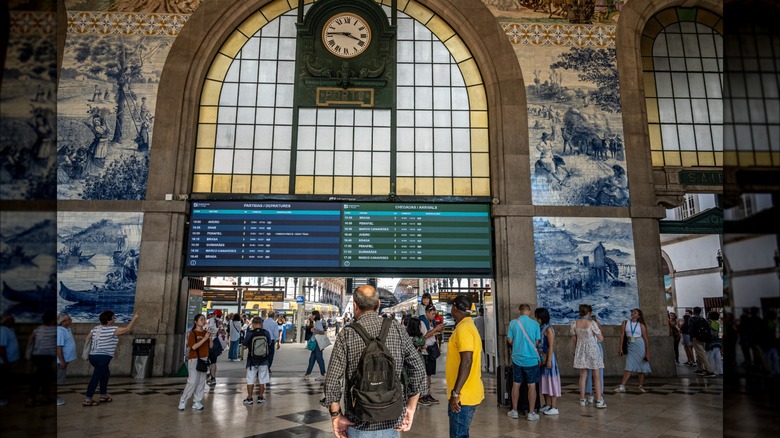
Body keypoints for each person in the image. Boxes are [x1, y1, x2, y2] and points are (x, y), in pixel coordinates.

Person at [324, 285, 426, 437]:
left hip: (359, 421)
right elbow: (418, 369)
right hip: (393, 420)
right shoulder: (397, 329)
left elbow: (332, 379)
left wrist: (336, 415)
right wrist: (410, 408)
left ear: (355, 306)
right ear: (378, 304)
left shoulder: (347, 334)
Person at [83, 311, 139, 406]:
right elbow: (127, 329)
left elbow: (87, 338)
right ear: (108, 320)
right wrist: (134, 318)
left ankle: (103, 396)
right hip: (103, 358)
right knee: (95, 378)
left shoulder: (95, 328)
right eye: (113, 318)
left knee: (105, 374)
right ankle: (88, 399)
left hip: (93, 356)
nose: (114, 319)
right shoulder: (112, 329)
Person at [446, 295, 484, 437]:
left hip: (463, 395)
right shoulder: (468, 325)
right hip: (465, 392)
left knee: (458, 435)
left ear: (455, 309)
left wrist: (456, 393)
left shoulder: (464, 329)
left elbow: (467, 361)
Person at [506, 303, 542, 420]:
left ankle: (514, 410)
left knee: (516, 384)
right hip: (531, 359)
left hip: (517, 358)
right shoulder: (535, 324)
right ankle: (531, 413)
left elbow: (510, 340)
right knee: (532, 385)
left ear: (519, 311)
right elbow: (537, 342)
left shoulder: (513, 323)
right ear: (529, 312)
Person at [572, 304, 605, 408]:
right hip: (592, 349)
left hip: (581, 350)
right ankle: (599, 400)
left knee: (583, 375)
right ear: (589, 313)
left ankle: (582, 399)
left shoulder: (574, 323)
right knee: (596, 375)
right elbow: (601, 339)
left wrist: (578, 348)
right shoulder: (592, 323)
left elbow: (574, 339)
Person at [178, 314, 212, 411]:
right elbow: (193, 347)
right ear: (196, 322)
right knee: (192, 381)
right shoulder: (192, 333)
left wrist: (209, 338)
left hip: (204, 359)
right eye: (201, 319)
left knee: (201, 381)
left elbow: (211, 346)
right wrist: (204, 338)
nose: (203, 321)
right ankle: (183, 400)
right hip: (194, 359)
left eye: (204, 319)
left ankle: (197, 401)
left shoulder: (206, 332)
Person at [616, 308, 653, 392]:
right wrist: (620, 347)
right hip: (630, 345)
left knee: (641, 365)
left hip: (639, 344)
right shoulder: (625, 323)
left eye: (635, 313)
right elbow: (622, 335)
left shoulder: (641, 325)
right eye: (632, 312)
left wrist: (647, 353)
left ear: (639, 316)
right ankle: (622, 386)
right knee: (628, 365)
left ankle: (640, 385)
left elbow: (646, 339)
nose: (633, 314)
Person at [27, 310, 58, 406]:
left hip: (36, 356)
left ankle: (39, 397)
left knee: (41, 375)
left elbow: (30, 338)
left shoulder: (38, 329)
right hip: (46, 357)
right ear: (52, 321)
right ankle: (35, 397)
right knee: (44, 376)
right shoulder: (54, 329)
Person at [535, 308, 561, 416]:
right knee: (543, 381)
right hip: (541, 358)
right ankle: (547, 403)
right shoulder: (540, 328)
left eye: (537, 317)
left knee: (551, 381)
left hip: (547, 357)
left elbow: (551, 346)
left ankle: (554, 406)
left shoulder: (548, 329)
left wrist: (549, 360)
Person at [419, 304, 445, 406]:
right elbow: (424, 336)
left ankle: (428, 393)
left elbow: (432, 335)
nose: (434, 316)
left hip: (431, 350)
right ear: (427, 313)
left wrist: (438, 331)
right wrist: (435, 330)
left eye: (435, 314)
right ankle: (422, 395)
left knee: (429, 374)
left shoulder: (432, 322)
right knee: (424, 374)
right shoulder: (422, 322)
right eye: (432, 314)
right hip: (425, 351)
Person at [242, 316, 271, 405]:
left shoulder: (250, 333)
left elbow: (244, 346)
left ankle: (250, 398)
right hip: (264, 360)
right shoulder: (266, 333)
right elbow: (269, 344)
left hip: (252, 360)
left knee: (250, 379)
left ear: (253, 324)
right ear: (261, 324)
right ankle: (261, 397)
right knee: (262, 379)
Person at [583, 307, 604, 405]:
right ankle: (598, 396)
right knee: (597, 373)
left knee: (587, 373)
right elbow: (601, 337)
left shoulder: (578, 323)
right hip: (595, 347)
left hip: (585, 348)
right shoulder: (593, 323)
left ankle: (589, 394)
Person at [689, 306, 716, 378]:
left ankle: (709, 370)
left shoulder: (692, 319)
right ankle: (700, 368)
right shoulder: (703, 319)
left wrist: (691, 337)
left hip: (695, 338)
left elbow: (691, 329)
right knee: (698, 353)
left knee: (701, 353)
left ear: (693, 311)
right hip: (703, 338)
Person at [0, 313, 21, 407]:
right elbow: (1, 348)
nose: (14, 321)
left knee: (6, 379)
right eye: (12, 320)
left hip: (9, 360)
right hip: (3, 362)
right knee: (2, 380)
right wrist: (5, 361)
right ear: (6, 321)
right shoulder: (2, 331)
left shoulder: (10, 329)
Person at [56, 313, 77, 406]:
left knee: (59, 378)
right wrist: (62, 361)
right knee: (57, 379)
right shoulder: (60, 331)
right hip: (59, 361)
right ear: (63, 322)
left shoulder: (67, 329)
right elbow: (58, 348)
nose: (71, 320)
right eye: (69, 319)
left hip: (64, 361)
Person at [303, 310, 327, 380]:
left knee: (319, 359)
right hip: (316, 343)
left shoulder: (318, 323)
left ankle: (323, 374)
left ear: (315, 316)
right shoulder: (317, 323)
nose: (311, 316)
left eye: (312, 315)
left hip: (317, 344)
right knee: (312, 359)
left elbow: (322, 332)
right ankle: (307, 373)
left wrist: (314, 331)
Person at [206, 322, 227, 387]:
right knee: (213, 362)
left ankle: (210, 376)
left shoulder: (212, 321)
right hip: (216, 346)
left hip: (211, 343)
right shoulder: (220, 324)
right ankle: (213, 378)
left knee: (210, 362)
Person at [706, 311, 723, 376]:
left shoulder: (709, 322)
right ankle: (719, 371)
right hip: (717, 341)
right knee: (718, 357)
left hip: (711, 341)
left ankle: (712, 370)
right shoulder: (718, 323)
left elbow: (709, 332)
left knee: (710, 357)